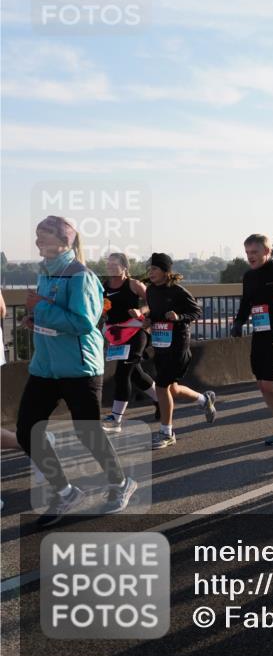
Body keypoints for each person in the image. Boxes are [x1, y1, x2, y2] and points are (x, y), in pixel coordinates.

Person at [16, 216, 138, 527]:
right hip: (46, 367)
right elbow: (55, 317)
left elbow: (84, 322)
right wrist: (35, 319)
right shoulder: (46, 273)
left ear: (63, 241)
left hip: (79, 367)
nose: (37, 241)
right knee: (27, 431)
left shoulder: (81, 276)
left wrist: (41, 308)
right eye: (37, 235)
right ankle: (65, 491)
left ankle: (121, 482)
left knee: (88, 433)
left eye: (43, 236)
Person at [145, 253, 217, 449]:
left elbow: (196, 312)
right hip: (160, 346)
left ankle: (166, 433)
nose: (150, 272)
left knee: (161, 387)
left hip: (178, 347)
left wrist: (179, 317)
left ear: (166, 271)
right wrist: (148, 320)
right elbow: (156, 313)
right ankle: (204, 400)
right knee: (173, 389)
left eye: (154, 269)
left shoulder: (178, 291)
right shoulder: (151, 291)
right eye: (149, 269)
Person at [230, 234, 273, 446]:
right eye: (247, 252)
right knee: (262, 384)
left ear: (267, 251)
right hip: (260, 332)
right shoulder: (248, 276)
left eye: (254, 252)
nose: (250, 256)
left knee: (270, 383)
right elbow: (246, 302)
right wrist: (239, 322)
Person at [101, 252, 158, 430]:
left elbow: (154, 302)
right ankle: (161, 400)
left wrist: (141, 311)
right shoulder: (104, 286)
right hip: (117, 335)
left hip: (136, 332)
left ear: (125, 267)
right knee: (136, 375)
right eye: (108, 264)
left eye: (114, 264)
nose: (110, 267)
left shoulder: (134, 284)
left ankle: (116, 419)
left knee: (122, 373)